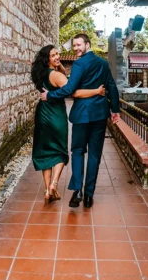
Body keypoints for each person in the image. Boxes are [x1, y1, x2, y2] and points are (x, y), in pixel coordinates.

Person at [40, 34, 120, 208]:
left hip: (82, 115)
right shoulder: (103, 63)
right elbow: (112, 86)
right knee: (94, 154)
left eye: (78, 45)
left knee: (77, 151)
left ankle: (78, 190)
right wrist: (115, 110)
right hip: (99, 114)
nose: (75, 48)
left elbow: (69, 89)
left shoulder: (79, 64)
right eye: (74, 46)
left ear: (87, 44)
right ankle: (89, 195)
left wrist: (50, 95)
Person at [30, 45, 105, 202]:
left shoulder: (41, 73)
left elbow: (62, 73)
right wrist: (96, 91)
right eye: (53, 55)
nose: (57, 57)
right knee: (59, 149)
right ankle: (54, 184)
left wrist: (57, 62)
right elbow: (74, 92)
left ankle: (47, 189)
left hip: (42, 113)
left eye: (58, 54)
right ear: (47, 59)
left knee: (45, 150)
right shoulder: (57, 76)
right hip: (56, 115)